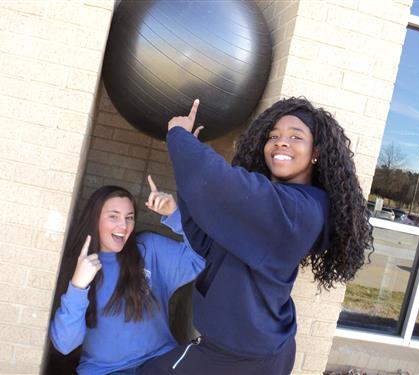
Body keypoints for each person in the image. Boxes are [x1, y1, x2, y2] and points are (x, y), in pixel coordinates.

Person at [137, 97, 373, 375]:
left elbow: (216, 184)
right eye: (274, 136)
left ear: (315, 153)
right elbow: (211, 241)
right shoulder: (283, 203)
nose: (281, 142)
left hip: (243, 357)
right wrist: (189, 170)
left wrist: (178, 135)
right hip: (251, 349)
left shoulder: (301, 210)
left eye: (295, 136)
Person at [49, 177, 205, 375]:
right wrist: (77, 287)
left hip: (160, 364)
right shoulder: (77, 265)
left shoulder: (149, 249)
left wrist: (175, 216)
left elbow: (202, 260)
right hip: (105, 371)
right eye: (113, 216)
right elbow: (64, 344)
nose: (123, 226)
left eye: (129, 217)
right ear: (94, 219)